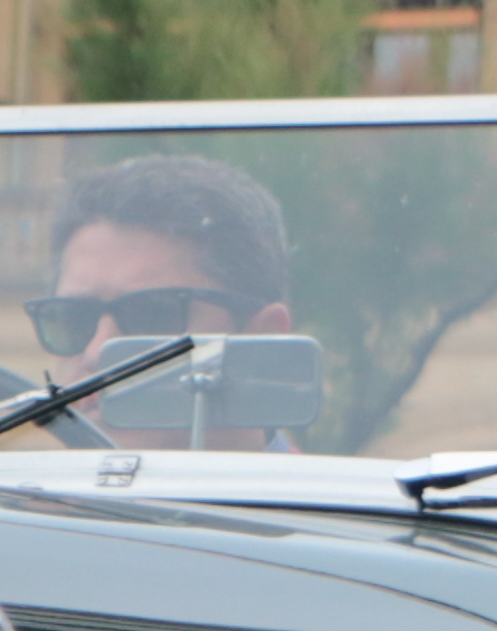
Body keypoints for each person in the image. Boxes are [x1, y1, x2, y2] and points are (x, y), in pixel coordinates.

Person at [30, 154, 315, 450]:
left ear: (264, 341)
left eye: (152, 316)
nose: (96, 353)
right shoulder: (3, 493)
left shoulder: (334, 496)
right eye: (74, 319)